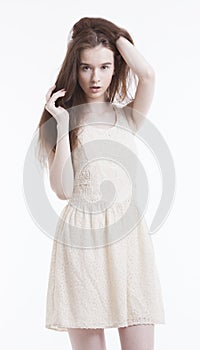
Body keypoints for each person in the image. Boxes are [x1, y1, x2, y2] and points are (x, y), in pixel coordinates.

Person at [37, 17, 165, 350]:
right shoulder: (62, 123)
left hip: (129, 241)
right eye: (85, 67)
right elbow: (63, 190)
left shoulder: (127, 116)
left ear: (116, 67)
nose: (95, 77)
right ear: (74, 69)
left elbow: (148, 74)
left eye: (104, 66)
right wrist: (62, 125)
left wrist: (114, 35)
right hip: (82, 244)